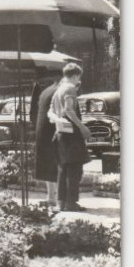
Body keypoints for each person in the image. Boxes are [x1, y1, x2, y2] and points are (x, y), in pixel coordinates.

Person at [48, 62, 92, 213]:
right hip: (72, 135)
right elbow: (69, 110)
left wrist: (57, 120)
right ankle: (71, 203)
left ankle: (62, 202)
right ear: (75, 75)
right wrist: (82, 127)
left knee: (63, 169)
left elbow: (50, 112)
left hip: (60, 134)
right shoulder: (70, 88)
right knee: (75, 169)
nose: (78, 80)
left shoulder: (58, 90)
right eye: (78, 77)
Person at [31, 74, 61, 209]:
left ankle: (51, 196)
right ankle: (60, 199)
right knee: (61, 164)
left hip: (42, 132)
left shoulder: (45, 91)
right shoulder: (60, 91)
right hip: (55, 131)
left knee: (49, 165)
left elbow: (32, 112)